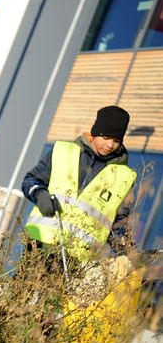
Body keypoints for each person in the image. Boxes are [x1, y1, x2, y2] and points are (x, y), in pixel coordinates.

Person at [21, 105, 137, 271]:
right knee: (21, 294)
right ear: (95, 132)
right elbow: (30, 180)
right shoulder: (62, 151)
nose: (110, 144)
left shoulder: (124, 176)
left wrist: (125, 248)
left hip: (78, 259)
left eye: (116, 141)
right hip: (38, 243)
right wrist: (40, 195)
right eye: (106, 137)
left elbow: (119, 222)